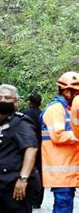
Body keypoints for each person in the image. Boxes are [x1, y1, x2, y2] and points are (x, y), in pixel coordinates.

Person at [0, 84, 39, 213]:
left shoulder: (21, 123)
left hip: (16, 185)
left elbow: (31, 148)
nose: (2, 101)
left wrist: (23, 179)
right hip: (2, 186)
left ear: (16, 102)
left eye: (7, 98)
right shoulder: (4, 123)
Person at [40, 71, 79, 213]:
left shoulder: (67, 109)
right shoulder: (55, 109)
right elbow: (58, 136)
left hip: (67, 171)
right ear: (67, 91)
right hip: (60, 172)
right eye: (76, 92)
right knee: (63, 207)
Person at [21, 92, 44, 209]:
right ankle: (37, 201)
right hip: (41, 148)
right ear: (40, 103)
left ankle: (26, 198)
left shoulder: (23, 114)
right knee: (40, 173)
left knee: (26, 171)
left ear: (29, 102)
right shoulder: (43, 115)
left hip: (26, 147)